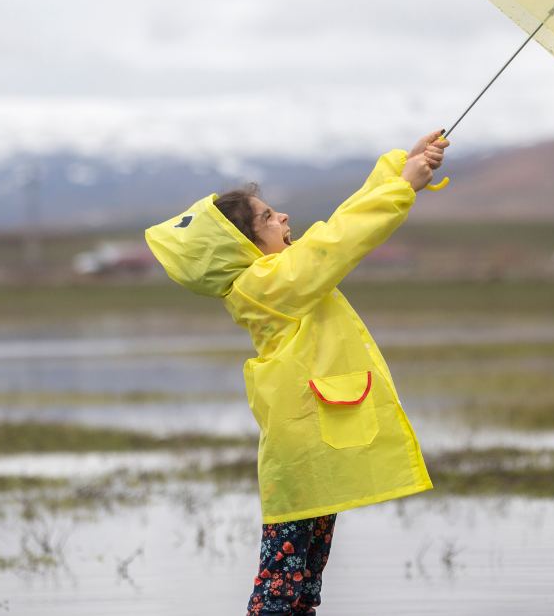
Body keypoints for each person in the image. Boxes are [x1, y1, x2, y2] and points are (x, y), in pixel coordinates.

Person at [145, 131, 449, 615]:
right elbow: (338, 242)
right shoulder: (262, 285)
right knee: (279, 590)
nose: (282, 216)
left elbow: (337, 228)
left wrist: (398, 169)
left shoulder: (277, 273)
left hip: (317, 441)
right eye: (267, 217)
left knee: (305, 582)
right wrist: (402, 188)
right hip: (301, 448)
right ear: (242, 246)